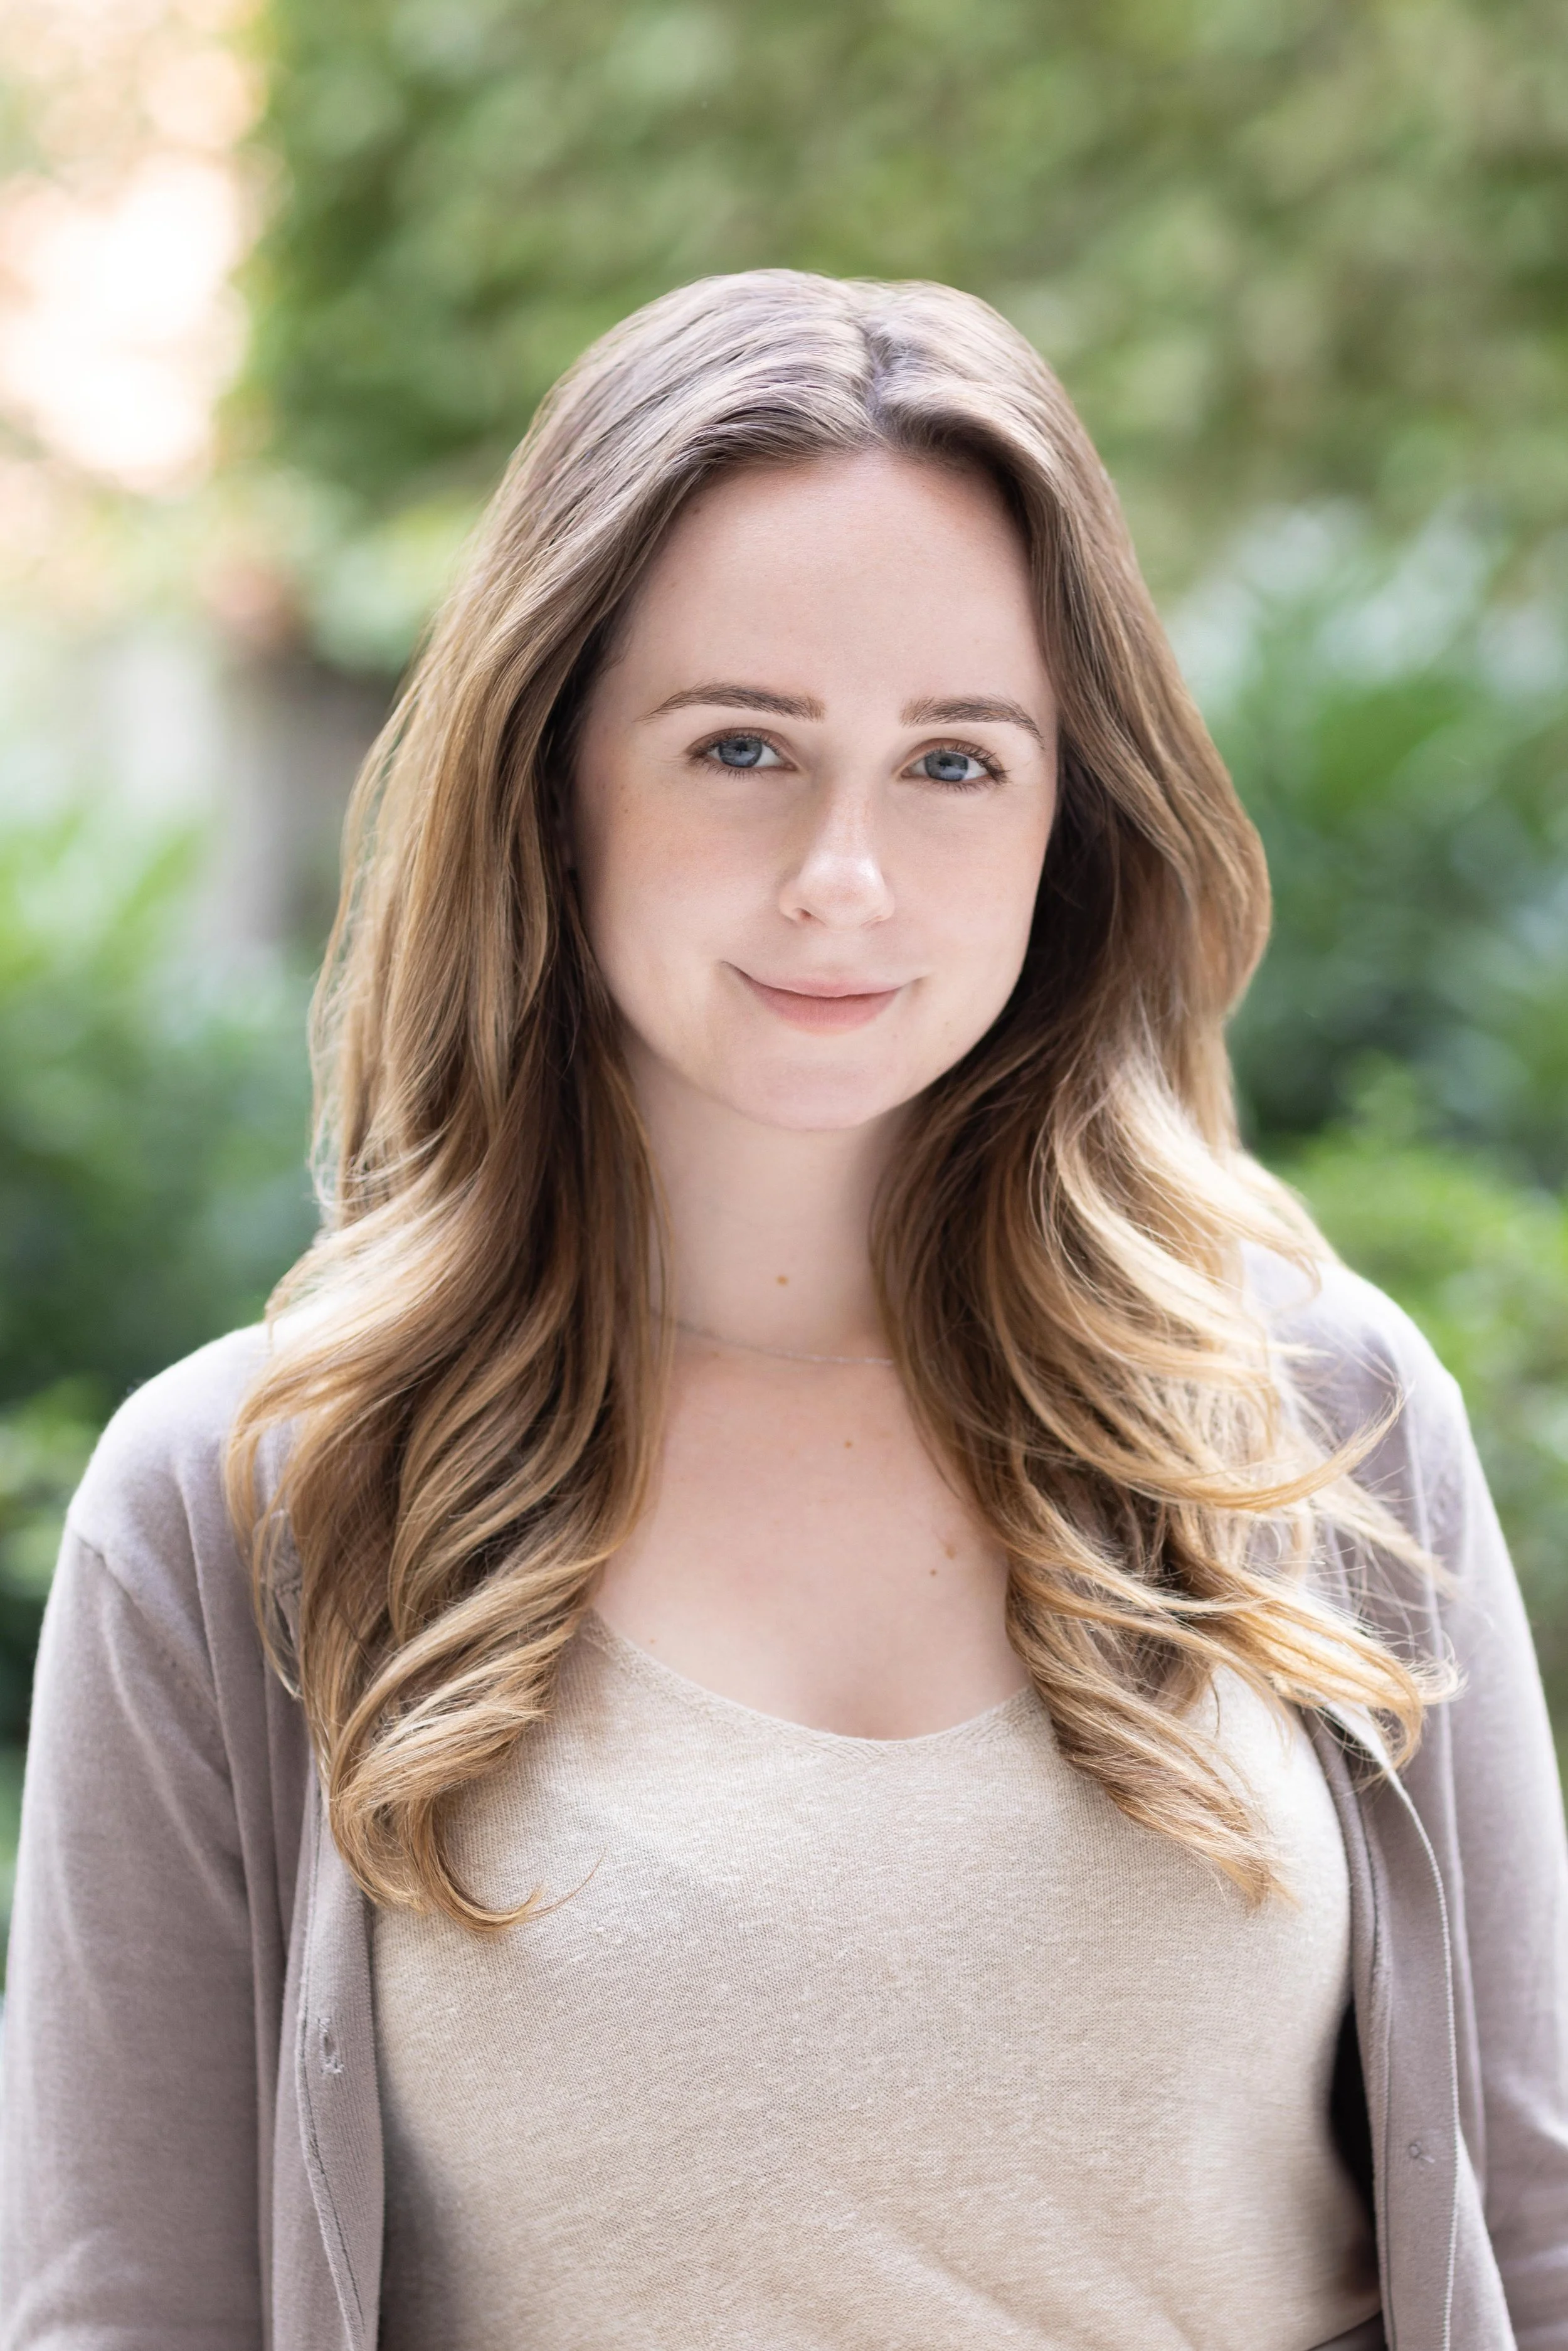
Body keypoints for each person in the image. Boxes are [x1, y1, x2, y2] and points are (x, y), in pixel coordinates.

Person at [3, 271, 1564, 2351]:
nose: (847, 871)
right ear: (551, 779)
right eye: (741, 746)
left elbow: (1531, 2243)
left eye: (952, 760)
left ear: (1066, 816)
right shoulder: (248, 1504)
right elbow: (128, 2311)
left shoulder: (1319, 1418)